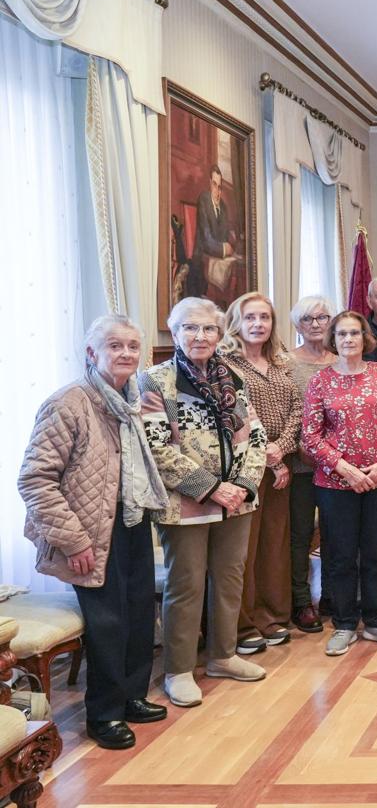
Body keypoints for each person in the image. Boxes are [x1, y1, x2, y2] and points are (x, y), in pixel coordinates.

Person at [19, 315, 169, 750]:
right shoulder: (69, 402)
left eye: (132, 346)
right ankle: (103, 715)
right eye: (115, 346)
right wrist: (74, 540)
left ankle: (132, 698)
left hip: (132, 519)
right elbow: (35, 479)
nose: (126, 354)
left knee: (140, 614)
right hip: (86, 532)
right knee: (108, 622)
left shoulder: (133, 399)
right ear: (92, 353)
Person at [140, 297, 268, 707]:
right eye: (190, 328)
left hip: (237, 502)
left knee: (230, 579)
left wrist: (244, 485)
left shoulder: (233, 376)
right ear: (174, 333)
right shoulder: (155, 381)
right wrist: (213, 487)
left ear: (219, 334)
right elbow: (157, 449)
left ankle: (223, 657)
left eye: (208, 329)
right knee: (187, 585)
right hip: (186, 504)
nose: (200, 336)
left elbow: (256, 436)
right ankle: (178, 670)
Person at [302, 311, 377, 656]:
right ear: (334, 339)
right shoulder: (320, 382)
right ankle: (345, 623)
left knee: (376, 552)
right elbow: (311, 435)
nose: (349, 339)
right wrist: (345, 469)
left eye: (355, 333)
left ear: (365, 338)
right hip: (335, 484)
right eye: (343, 334)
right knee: (342, 556)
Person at [219, 292, 302, 656]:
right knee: (243, 549)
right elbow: (234, 412)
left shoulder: (282, 362)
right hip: (242, 470)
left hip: (280, 466)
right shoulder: (224, 364)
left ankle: (272, 616)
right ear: (237, 322)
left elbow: (299, 407)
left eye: (264, 318)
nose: (258, 324)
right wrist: (267, 454)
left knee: (274, 543)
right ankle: (241, 624)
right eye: (250, 317)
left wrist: (281, 450)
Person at [287, 295, 338, 633]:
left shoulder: (342, 360)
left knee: (336, 534)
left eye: (322, 317)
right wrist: (300, 447)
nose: (317, 324)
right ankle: (302, 601)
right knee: (300, 535)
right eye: (308, 319)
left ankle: (333, 594)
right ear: (298, 325)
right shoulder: (286, 362)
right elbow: (285, 412)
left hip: (338, 467)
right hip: (301, 465)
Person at [190, 165, 236, 300]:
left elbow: (226, 235)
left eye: (220, 187)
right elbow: (206, 240)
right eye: (214, 185)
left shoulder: (223, 206)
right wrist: (223, 248)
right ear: (210, 183)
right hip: (201, 261)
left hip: (217, 258)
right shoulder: (203, 200)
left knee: (235, 272)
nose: (217, 190)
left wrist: (231, 240)